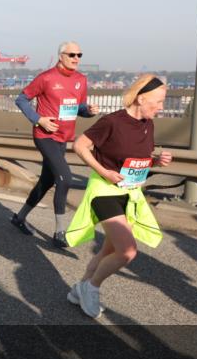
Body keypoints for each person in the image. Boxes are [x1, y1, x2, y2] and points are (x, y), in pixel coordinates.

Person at [64, 75, 172, 318]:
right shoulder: (112, 122)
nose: (162, 107)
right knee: (127, 251)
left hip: (130, 194)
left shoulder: (148, 124)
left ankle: (77, 290)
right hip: (104, 191)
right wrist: (104, 172)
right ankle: (90, 288)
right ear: (141, 98)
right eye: (159, 101)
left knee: (106, 252)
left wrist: (157, 161)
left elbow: (136, 158)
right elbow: (79, 145)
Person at [11, 41, 98, 247]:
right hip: (44, 136)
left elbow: (79, 108)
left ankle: (19, 218)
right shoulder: (46, 78)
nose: (76, 58)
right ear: (61, 56)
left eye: (79, 55)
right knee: (65, 178)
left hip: (63, 138)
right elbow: (21, 100)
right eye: (72, 55)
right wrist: (39, 119)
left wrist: (88, 111)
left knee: (47, 181)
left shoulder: (81, 80)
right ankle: (60, 233)